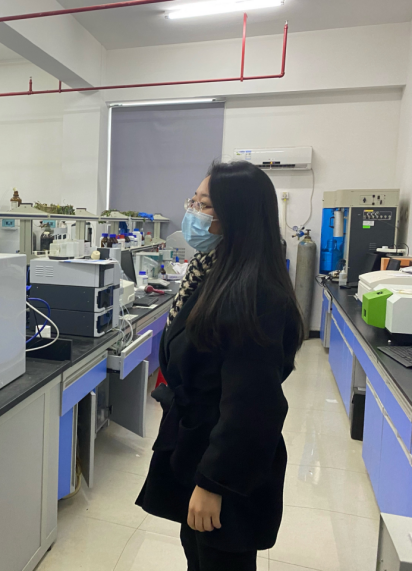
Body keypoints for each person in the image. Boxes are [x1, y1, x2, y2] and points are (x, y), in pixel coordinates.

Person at [136, 161, 303, 571]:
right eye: (193, 201)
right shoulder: (211, 273)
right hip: (198, 449)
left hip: (228, 467)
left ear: (238, 216)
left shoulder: (254, 294)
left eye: (205, 205)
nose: (193, 212)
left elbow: (254, 407)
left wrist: (214, 484)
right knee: (198, 556)